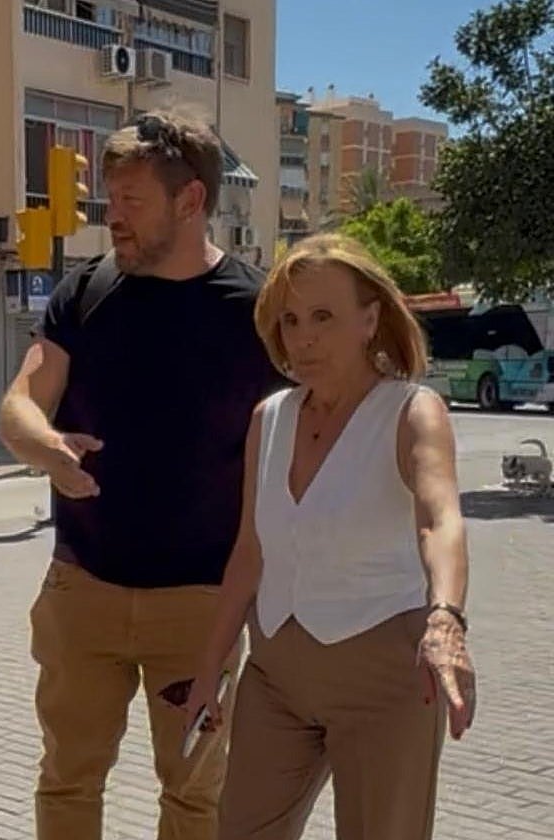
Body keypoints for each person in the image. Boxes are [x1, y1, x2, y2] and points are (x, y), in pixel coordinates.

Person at [0, 108, 284, 840]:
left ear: (190, 201)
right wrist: (47, 447)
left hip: (200, 606)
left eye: (131, 202)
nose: (111, 218)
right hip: (82, 591)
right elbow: (19, 405)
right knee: (67, 779)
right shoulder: (86, 293)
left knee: (195, 795)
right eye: (108, 201)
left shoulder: (257, 313)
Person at [185, 233, 476, 840]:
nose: (303, 338)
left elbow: (439, 518)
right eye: (290, 320)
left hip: (383, 674)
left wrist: (445, 619)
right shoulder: (270, 418)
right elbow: (250, 550)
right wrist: (210, 666)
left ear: (370, 319)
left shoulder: (410, 411)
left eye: (323, 316)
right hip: (276, 674)